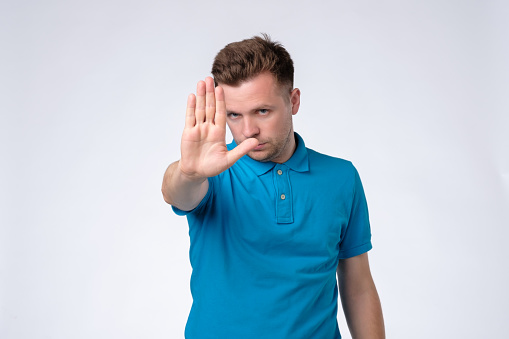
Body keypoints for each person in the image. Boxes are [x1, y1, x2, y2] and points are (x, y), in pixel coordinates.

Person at [162, 34, 385, 339]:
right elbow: (177, 193)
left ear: (293, 101)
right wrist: (188, 172)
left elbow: (358, 285)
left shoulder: (341, 177)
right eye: (234, 116)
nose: (248, 131)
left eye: (262, 111)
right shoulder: (211, 174)